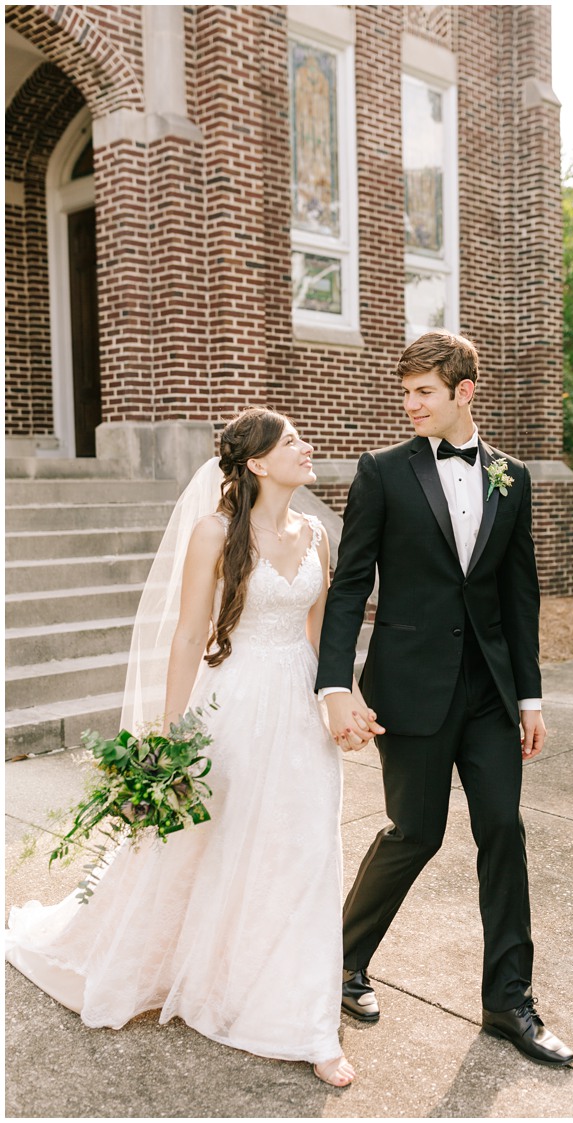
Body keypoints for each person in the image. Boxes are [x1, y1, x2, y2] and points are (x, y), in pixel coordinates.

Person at [6, 408, 358, 1087]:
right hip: (232, 704)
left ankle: (307, 1019)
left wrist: (343, 702)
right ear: (256, 462)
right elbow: (187, 632)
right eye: (292, 442)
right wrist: (168, 732)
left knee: (306, 848)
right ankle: (207, 971)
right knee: (212, 843)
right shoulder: (214, 533)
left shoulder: (316, 533)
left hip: (298, 706)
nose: (307, 446)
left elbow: (322, 637)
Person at [315, 329, 573, 1067]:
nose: (410, 404)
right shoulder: (382, 472)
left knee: (503, 829)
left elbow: (518, 595)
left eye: (422, 391)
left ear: (464, 392)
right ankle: (341, 958)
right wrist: (335, 683)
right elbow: (350, 585)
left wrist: (530, 696)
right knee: (416, 831)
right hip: (411, 687)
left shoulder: (512, 478)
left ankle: (508, 1001)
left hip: (490, 693)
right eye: (405, 392)